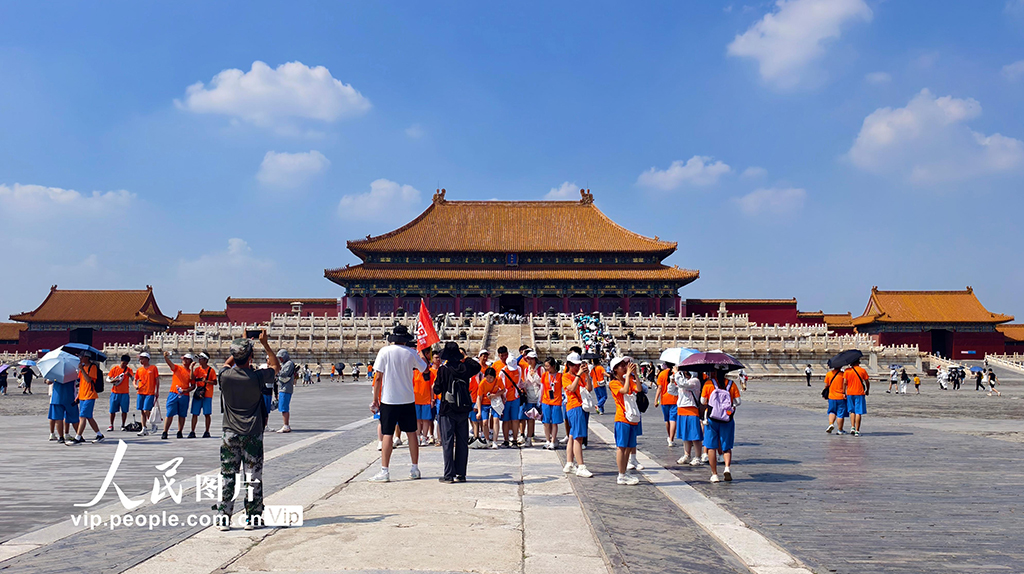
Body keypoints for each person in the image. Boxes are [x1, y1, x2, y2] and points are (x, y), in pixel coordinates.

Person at [214, 332, 280, 531]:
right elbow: (275, 366)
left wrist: (241, 345)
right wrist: (265, 345)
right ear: (251, 357)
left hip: (229, 433)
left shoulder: (224, 376)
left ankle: (223, 517)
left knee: (227, 475)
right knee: (252, 476)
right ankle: (252, 518)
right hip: (252, 432)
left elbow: (227, 364)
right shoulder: (257, 376)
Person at [369, 325, 430, 483]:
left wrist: (375, 399)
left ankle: (385, 471)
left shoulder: (384, 351)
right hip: (407, 399)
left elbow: (378, 378)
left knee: (388, 433)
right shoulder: (411, 353)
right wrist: (421, 350)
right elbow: (424, 369)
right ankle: (415, 468)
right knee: (411, 433)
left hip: (389, 399)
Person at [433, 342, 481, 483]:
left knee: (447, 442)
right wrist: (465, 357)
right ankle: (461, 473)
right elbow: (477, 366)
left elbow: (437, 389)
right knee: (462, 442)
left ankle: (449, 475)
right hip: (463, 409)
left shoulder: (444, 369)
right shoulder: (465, 368)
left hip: (447, 409)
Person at [702, 369, 740, 483]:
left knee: (711, 447)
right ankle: (727, 468)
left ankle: (714, 474)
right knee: (726, 446)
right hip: (727, 419)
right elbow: (738, 401)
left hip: (712, 418)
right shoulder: (731, 384)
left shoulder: (708, 384)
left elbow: (703, 401)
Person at [610, 356, 642, 486]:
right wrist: (628, 376)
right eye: (621, 366)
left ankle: (624, 472)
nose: (624, 367)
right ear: (615, 370)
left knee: (628, 447)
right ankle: (621, 475)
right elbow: (623, 391)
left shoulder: (627, 379)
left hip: (631, 418)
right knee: (621, 448)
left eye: (625, 365)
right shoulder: (614, 383)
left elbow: (638, 389)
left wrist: (635, 375)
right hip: (622, 418)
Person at [562, 352, 594, 478]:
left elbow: (589, 388)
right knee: (578, 438)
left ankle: (569, 463)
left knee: (572, 436)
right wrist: (579, 374)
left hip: (580, 406)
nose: (577, 367)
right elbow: (572, 388)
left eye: (578, 365)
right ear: (569, 365)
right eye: (575, 365)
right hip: (574, 407)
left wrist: (587, 375)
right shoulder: (566, 376)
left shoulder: (579, 376)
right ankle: (581, 466)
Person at [161, 352, 195, 440]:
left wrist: (186, 390)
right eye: (184, 359)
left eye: (186, 359)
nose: (184, 360)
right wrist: (165, 357)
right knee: (169, 413)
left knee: (182, 414)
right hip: (174, 393)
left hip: (184, 395)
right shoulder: (177, 368)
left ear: (190, 361)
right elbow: (170, 364)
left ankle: (180, 431)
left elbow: (193, 385)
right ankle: (165, 431)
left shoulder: (191, 372)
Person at [494, 346, 523, 448]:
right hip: (505, 399)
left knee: (515, 420)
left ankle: (514, 439)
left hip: (515, 398)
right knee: (505, 420)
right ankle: (506, 440)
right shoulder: (502, 371)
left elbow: (520, 382)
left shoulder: (518, 369)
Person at [71, 355, 104, 444]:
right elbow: (81, 382)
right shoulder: (83, 368)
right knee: (89, 417)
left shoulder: (92, 367)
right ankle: (99, 435)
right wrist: (78, 395)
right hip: (82, 395)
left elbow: (89, 380)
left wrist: (82, 369)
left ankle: (77, 437)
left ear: (87, 358)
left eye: (82, 357)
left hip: (90, 395)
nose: (80, 359)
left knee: (82, 416)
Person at [674, 369, 704, 466]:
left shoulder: (695, 381)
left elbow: (684, 385)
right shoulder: (682, 381)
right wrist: (671, 382)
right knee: (685, 435)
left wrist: (677, 374)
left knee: (694, 435)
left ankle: (698, 456)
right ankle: (687, 455)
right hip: (681, 409)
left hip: (691, 410)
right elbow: (672, 391)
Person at [49, 363, 79, 444]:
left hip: (57, 397)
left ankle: (61, 437)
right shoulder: (72, 371)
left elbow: (48, 381)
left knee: (58, 418)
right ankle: (78, 435)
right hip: (69, 397)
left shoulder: (55, 372)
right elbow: (78, 382)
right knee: (74, 417)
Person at [189, 353, 218, 438]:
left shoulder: (211, 370)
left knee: (207, 413)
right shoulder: (197, 370)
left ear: (206, 360)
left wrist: (207, 381)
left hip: (207, 394)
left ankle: (207, 431)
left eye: (201, 358)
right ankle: (192, 431)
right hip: (199, 393)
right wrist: (191, 368)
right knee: (195, 413)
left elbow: (215, 382)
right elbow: (192, 378)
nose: (199, 360)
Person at [476, 367, 505, 449]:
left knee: (496, 420)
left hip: (495, 402)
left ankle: (495, 441)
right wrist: (479, 411)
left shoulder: (498, 380)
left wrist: (495, 395)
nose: (488, 379)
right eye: (487, 377)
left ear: (494, 377)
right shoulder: (482, 383)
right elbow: (479, 397)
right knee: (485, 422)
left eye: (491, 378)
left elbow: (503, 390)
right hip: (485, 403)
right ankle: (487, 439)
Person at [519, 351, 543, 447]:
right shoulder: (526, 369)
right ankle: (529, 438)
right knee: (530, 418)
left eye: (531, 359)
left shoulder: (540, 369)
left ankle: (550, 439)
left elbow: (543, 382)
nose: (529, 360)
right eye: (528, 359)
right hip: (529, 396)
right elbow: (526, 382)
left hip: (538, 396)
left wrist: (535, 376)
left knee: (541, 418)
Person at [540, 357, 563, 449]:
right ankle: (547, 440)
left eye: (548, 366)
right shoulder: (545, 375)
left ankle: (553, 440)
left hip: (556, 401)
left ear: (553, 366)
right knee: (546, 422)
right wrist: (540, 400)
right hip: (546, 400)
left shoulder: (559, 376)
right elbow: (542, 388)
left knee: (554, 422)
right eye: (545, 366)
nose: (546, 368)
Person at [413, 349, 435, 446]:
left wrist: (432, 399)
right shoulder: (414, 372)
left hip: (426, 399)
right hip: (416, 399)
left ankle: (425, 437)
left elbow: (432, 387)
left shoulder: (430, 373)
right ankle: (418, 437)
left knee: (426, 420)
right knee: (418, 420)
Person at [134, 352, 159, 436]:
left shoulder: (153, 368)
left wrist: (157, 391)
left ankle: (153, 424)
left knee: (146, 410)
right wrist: (135, 385)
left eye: (142, 359)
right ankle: (144, 428)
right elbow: (135, 380)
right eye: (140, 359)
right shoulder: (139, 370)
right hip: (140, 392)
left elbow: (157, 380)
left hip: (150, 392)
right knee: (142, 411)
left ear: (147, 359)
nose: (140, 360)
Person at [106, 354, 133, 431]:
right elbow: (107, 378)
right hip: (115, 392)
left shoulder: (129, 370)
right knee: (112, 410)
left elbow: (133, 379)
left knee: (124, 410)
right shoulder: (115, 369)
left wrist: (130, 376)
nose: (124, 364)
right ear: (121, 361)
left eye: (126, 363)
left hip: (125, 393)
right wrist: (112, 381)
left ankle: (123, 425)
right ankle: (111, 425)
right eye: (123, 363)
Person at [844, 360, 869, 437]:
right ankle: (857, 431)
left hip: (850, 393)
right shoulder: (862, 370)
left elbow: (845, 382)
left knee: (852, 411)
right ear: (858, 363)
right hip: (859, 393)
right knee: (858, 412)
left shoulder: (847, 371)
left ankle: (852, 427)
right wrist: (867, 390)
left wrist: (844, 392)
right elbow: (867, 381)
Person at [655, 362, 677, 447]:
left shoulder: (662, 374)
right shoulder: (676, 373)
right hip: (675, 399)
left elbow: (659, 387)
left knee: (667, 420)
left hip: (664, 399)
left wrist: (656, 399)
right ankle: (671, 439)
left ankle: (669, 436)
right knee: (673, 420)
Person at [824, 366, 847, 435]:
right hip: (841, 396)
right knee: (840, 414)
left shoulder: (829, 374)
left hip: (831, 396)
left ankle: (831, 424)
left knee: (832, 411)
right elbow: (846, 384)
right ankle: (840, 430)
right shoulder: (843, 374)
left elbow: (826, 385)